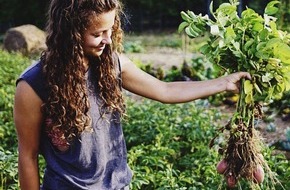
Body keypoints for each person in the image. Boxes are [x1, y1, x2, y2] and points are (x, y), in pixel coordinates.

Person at [13, 0, 251, 189]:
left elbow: (165, 90)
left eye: (110, 29)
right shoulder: (33, 86)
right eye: (97, 33)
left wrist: (223, 83)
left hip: (117, 185)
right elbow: (28, 155)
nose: (107, 40)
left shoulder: (111, 64)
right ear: (70, 33)